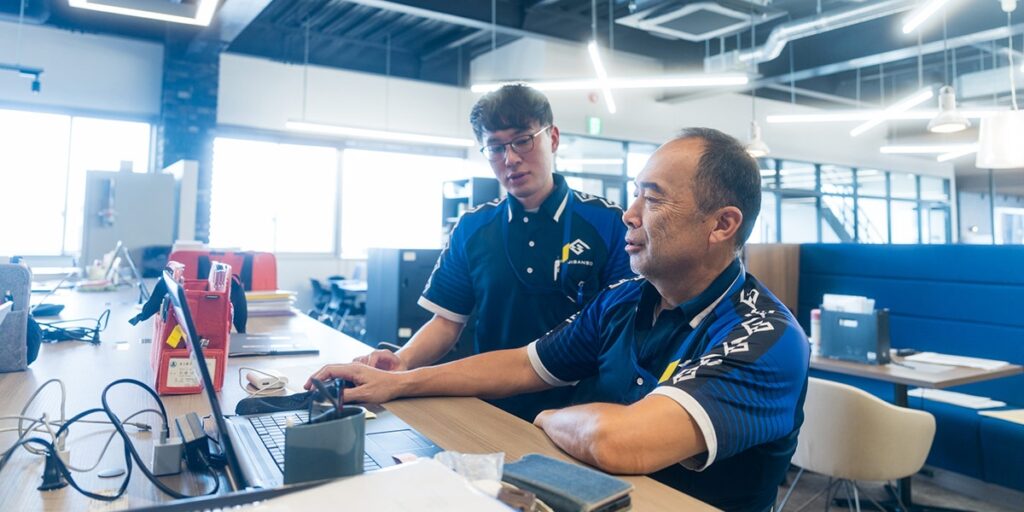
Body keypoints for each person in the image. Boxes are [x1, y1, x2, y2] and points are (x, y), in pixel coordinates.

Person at [313, 128, 809, 512]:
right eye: (635, 194)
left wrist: (546, 416)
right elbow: (524, 364)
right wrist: (398, 382)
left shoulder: (766, 337)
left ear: (721, 224)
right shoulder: (625, 300)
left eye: (653, 198)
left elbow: (618, 441)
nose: (630, 214)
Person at [356, 84, 633, 420]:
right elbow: (446, 322)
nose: (510, 159)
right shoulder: (473, 228)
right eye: (495, 147)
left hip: (581, 412)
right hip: (492, 409)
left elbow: (623, 331)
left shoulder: (609, 223)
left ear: (553, 138)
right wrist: (402, 360)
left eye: (523, 140)